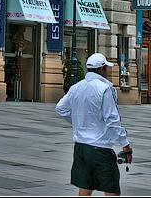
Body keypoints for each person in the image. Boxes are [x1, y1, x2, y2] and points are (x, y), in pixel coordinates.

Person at [55, 53, 132, 196]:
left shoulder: (76, 87)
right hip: (100, 147)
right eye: (106, 68)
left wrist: (78, 121)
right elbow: (112, 120)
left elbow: (60, 108)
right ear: (102, 69)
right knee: (111, 188)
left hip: (81, 147)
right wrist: (125, 145)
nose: (108, 71)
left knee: (85, 187)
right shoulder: (105, 89)